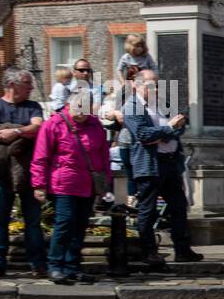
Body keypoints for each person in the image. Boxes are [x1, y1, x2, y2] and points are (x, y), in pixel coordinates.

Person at [30, 84, 113, 284]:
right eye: (79, 107)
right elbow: (41, 156)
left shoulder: (95, 126)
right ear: (69, 104)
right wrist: (39, 185)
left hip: (87, 184)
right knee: (64, 223)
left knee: (80, 226)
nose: (82, 113)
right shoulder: (54, 124)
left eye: (86, 108)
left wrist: (105, 184)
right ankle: (55, 265)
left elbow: (103, 156)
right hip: (63, 183)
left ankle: (72, 266)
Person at [123, 68, 203, 267]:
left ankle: (182, 250)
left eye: (158, 85)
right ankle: (149, 252)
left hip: (170, 162)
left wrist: (167, 131)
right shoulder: (132, 107)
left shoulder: (162, 104)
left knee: (178, 207)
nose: (156, 89)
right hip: (150, 164)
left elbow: (180, 124)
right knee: (147, 211)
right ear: (138, 86)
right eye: (151, 85)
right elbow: (143, 135)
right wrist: (168, 129)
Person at [0, 68, 47, 278]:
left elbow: (38, 128)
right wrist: (24, 131)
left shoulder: (33, 106)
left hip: (28, 169)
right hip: (0, 169)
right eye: (27, 83)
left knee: (33, 220)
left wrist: (14, 131)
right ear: (12, 84)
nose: (31, 87)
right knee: (0, 217)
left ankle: (37, 263)